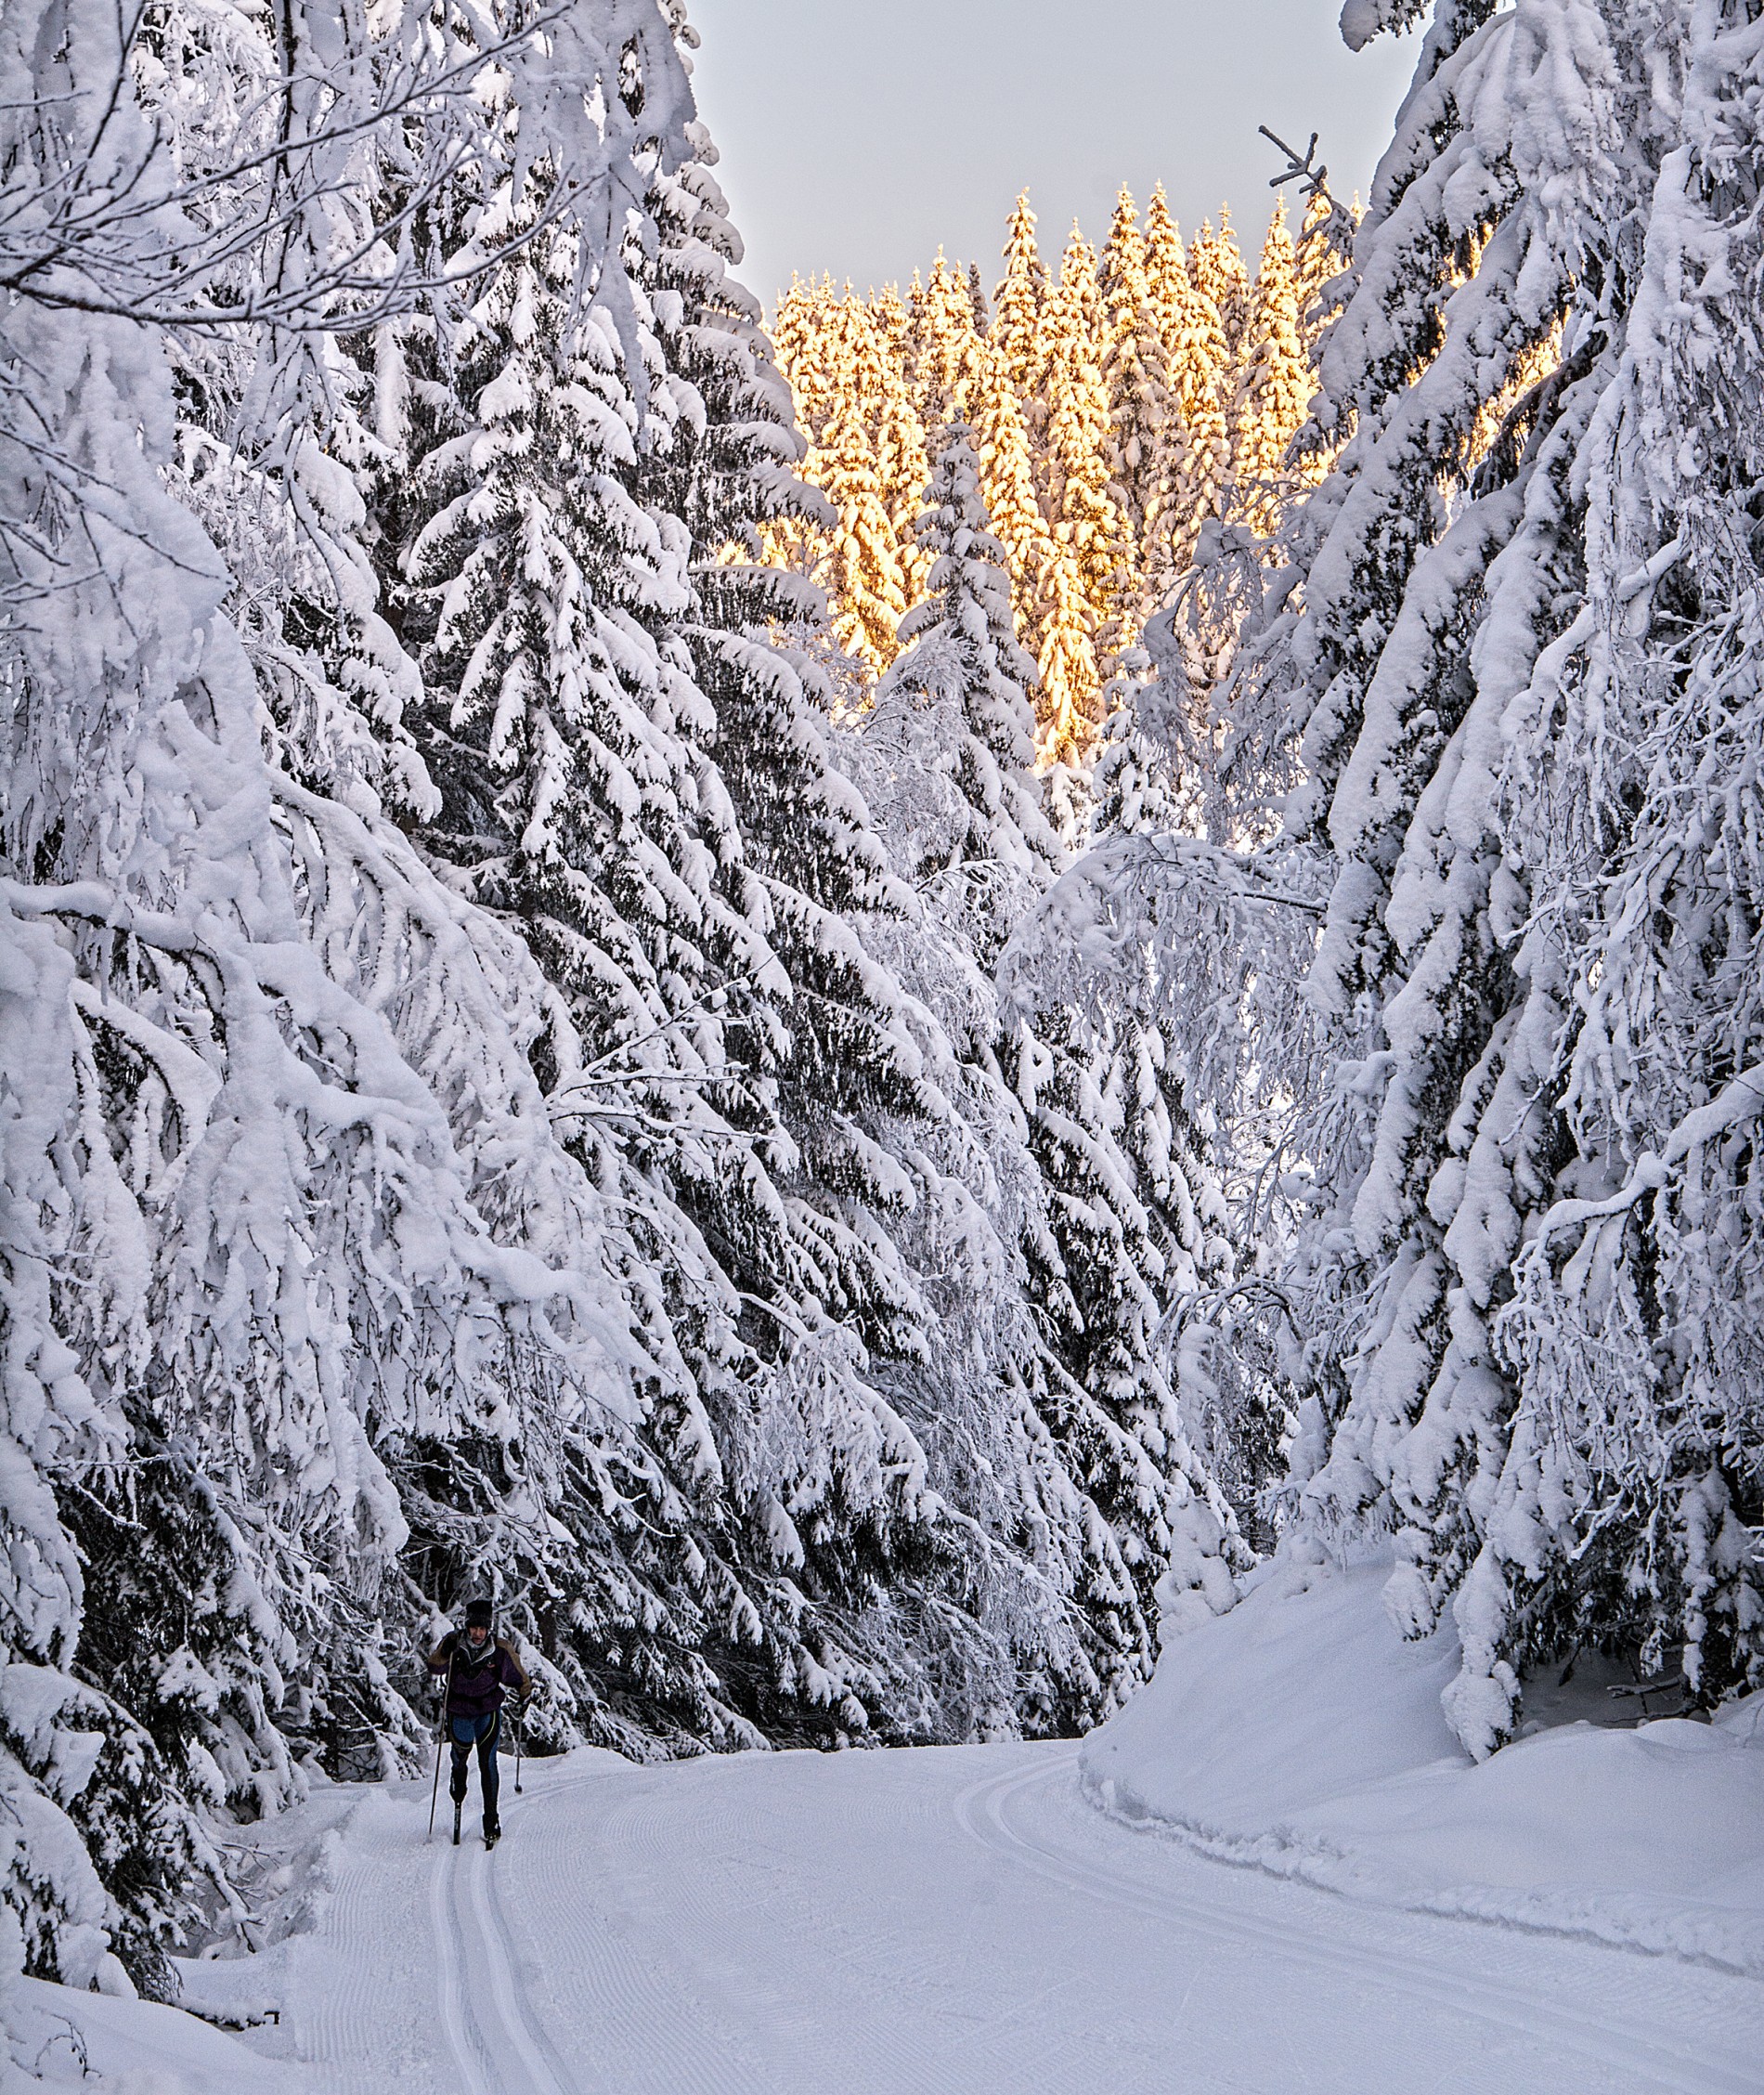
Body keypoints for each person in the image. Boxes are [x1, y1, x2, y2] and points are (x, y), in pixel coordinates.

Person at [426, 1598, 530, 1847]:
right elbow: (434, 1666)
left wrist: (525, 1694)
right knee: (459, 1761)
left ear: (489, 1628)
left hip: (488, 1711)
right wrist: (445, 1649)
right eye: (473, 1628)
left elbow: (518, 1676)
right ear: (467, 1626)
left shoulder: (500, 1650)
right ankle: (457, 1785)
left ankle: (491, 1819)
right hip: (459, 1710)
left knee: (488, 1764)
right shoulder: (454, 1644)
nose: (477, 1633)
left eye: (482, 1628)